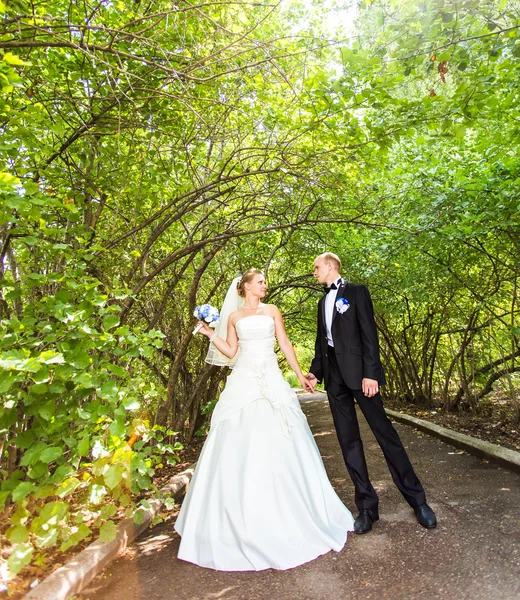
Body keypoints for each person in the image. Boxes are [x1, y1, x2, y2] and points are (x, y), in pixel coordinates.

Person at [175, 269, 355, 571]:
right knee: (238, 439)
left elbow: (284, 343)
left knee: (282, 437)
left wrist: (301, 377)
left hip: (271, 377)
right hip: (244, 378)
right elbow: (231, 352)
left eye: (264, 282)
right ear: (246, 287)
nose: (264, 285)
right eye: (260, 282)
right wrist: (209, 333)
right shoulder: (233, 318)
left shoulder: (272, 310)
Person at [306, 253, 437, 534]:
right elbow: (322, 342)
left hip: (361, 376)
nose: (314, 272)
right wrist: (315, 372)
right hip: (335, 380)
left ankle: (418, 501)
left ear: (330, 266)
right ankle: (366, 507)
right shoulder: (321, 302)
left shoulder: (357, 292)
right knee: (348, 441)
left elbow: (369, 334)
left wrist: (371, 373)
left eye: (316, 267)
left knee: (385, 436)